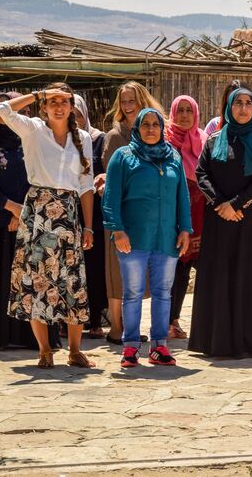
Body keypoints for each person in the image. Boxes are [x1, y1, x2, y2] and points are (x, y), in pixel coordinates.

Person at [0, 83, 96, 369]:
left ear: (72, 106)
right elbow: (3, 110)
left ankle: (75, 350)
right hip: (38, 213)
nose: (58, 106)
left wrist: (88, 227)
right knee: (37, 278)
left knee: (72, 281)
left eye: (64, 101)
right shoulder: (33, 129)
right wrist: (39, 93)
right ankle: (44, 350)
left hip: (67, 215)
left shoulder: (84, 139)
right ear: (43, 105)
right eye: (52, 101)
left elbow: (86, 185)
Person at [189, 88, 252, 358]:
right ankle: (215, 340)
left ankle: (249, 341)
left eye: (248, 103)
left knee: (248, 277)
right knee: (220, 275)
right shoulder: (215, 138)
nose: (243, 108)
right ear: (229, 107)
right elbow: (202, 172)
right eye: (237, 103)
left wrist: (237, 204)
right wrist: (220, 204)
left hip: (251, 221)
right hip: (220, 221)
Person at [0, 92, 59, 350]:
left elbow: (41, 179)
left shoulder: (33, 140)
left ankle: (32, 338)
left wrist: (22, 213)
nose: (4, 112)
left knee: (31, 280)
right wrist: (10, 208)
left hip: (29, 222)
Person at [103, 108, 192, 367]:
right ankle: (130, 347)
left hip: (166, 237)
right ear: (137, 129)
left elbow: (182, 197)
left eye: (156, 125)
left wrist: (185, 229)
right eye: (146, 125)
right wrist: (117, 229)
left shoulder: (172, 156)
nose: (151, 129)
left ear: (162, 129)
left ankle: (159, 346)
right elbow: (111, 197)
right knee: (132, 292)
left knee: (164, 292)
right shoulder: (123, 156)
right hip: (132, 238)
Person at [96, 81, 164, 345]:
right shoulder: (115, 137)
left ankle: (132, 326)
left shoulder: (152, 133)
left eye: (132, 100)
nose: (127, 106)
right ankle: (116, 327)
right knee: (117, 271)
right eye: (123, 101)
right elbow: (113, 179)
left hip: (145, 216)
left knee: (139, 272)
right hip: (120, 213)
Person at [164, 95, 206, 340]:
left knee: (193, 266)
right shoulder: (164, 141)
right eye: (179, 110)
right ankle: (170, 321)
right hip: (172, 211)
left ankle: (189, 321)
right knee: (175, 267)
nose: (184, 115)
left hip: (200, 211)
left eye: (189, 110)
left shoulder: (203, 141)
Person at [73, 94, 108, 338]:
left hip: (93, 211)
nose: (73, 118)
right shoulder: (58, 140)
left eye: (77, 114)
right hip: (66, 209)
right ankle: (71, 320)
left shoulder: (97, 139)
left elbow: (105, 170)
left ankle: (94, 318)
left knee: (94, 266)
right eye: (70, 114)